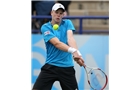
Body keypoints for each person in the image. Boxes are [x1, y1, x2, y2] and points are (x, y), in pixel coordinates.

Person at [32, 3, 85, 90]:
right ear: (51, 12)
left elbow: (70, 39)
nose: (58, 15)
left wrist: (78, 55)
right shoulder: (45, 27)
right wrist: (73, 51)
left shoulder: (67, 23)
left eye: (61, 13)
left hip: (67, 68)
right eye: (56, 12)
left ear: (63, 14)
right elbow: (57, 43)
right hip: (50, 66)